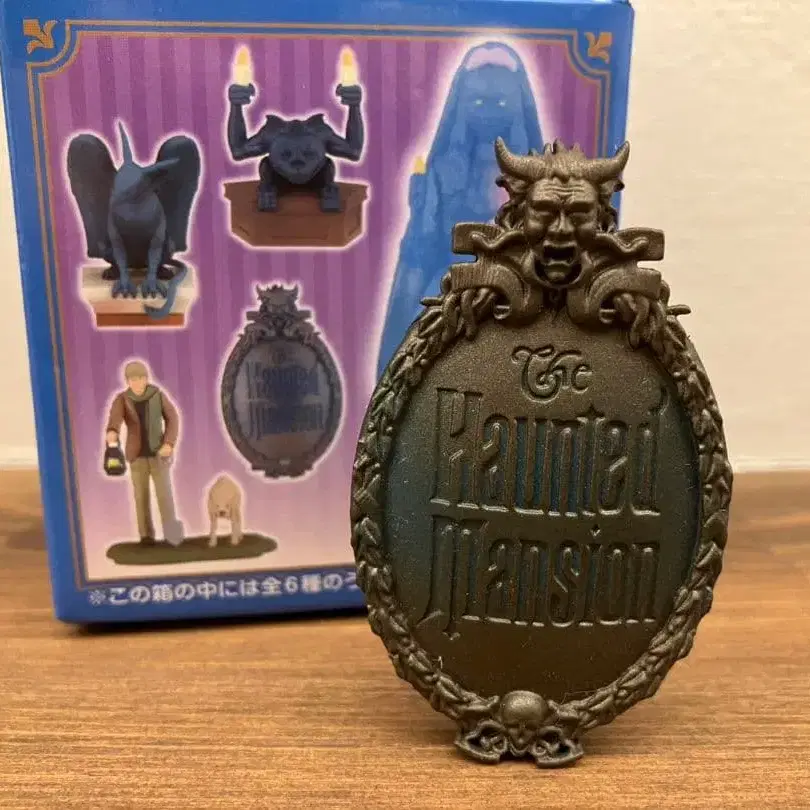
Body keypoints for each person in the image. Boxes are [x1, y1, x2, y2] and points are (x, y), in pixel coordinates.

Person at [105, 360, 182, 545]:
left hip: (159, 455)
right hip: (136, 456)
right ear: (127, 381)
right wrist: (112, 431)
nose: (137, 382)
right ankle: (146, 536)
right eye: (132, 379)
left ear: (146, 378)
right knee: (141, 497)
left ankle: (172, 535)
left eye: (140, 378)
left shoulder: (157, 395)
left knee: (165, 496)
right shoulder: (122, 399)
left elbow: (173, 418)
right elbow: (115, 418)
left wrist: (169, 443)